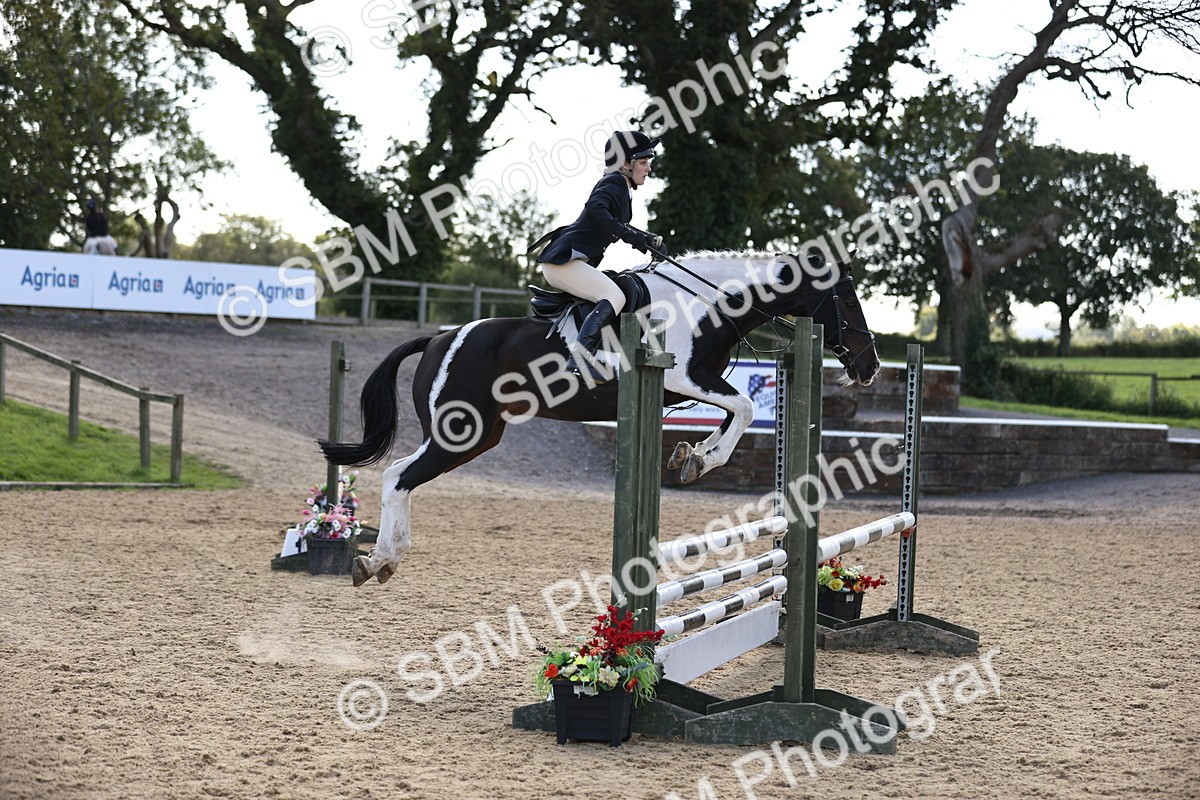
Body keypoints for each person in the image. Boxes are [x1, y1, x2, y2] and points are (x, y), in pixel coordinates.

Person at [532, 130, 666, 378]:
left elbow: (616, 224)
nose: (648, 169)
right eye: (644, 162)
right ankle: (579, 359)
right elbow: (595, 208)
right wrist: (631, 236)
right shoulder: (613, 182)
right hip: (564, 262)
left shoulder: (622, 187)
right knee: (614, 296)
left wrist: (645, 240)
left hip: (572, 262)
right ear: (626, 164)